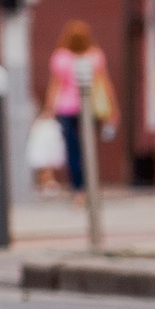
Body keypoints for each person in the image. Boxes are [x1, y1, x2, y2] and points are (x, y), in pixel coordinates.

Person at [46, 20, 111, 203]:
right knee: (88, 149)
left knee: (73, 151)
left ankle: (79, 190)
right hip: (89, 109)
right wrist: (112, 108)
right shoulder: (95, 56)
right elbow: (104, 83)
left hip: (66, 109)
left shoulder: (61, 57)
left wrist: (49, 109)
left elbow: (55, 85)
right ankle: (90, 186)